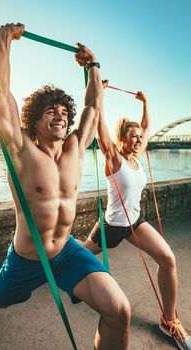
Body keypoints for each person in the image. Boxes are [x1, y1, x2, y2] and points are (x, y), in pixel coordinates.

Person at [0, 23, 131, 350]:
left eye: (62, 111)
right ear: (35, 122)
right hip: (27, 258)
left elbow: (92, 107)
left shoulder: (75, 149)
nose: (58, 115)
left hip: (67, 252)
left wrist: (93, 66)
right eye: (49, 111)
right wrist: (3, 41)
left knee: (119, 311)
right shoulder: (22, 151)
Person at [83, 82, 191, 350]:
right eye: (133, 135)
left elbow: (147, 126)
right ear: (122, 139)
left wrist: (145, 104)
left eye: (140, 136)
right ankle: (44, 260)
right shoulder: (115, 158)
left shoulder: (136, 157)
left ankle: (169, 321)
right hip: (112, 226)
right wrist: (100, 95)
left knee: (168, 259)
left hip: (135, 223)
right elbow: (100, 127)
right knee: (77, 254)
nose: (139, 138)